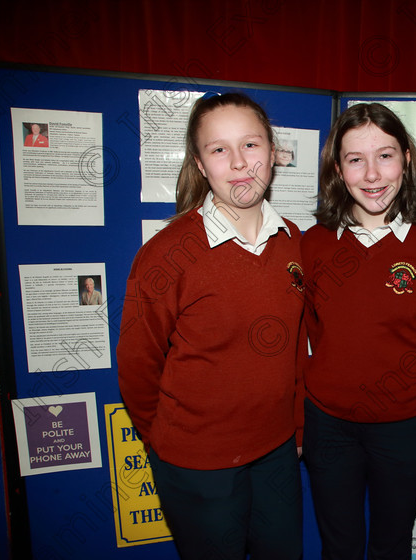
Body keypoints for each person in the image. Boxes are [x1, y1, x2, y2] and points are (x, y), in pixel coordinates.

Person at [116, 92, 305, 560]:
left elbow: (298, 348)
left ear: (272, 153)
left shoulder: (294, 242)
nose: (240, 163)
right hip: (198, 464)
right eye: (219, 149)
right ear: (200, 164)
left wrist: (297, 430)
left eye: (251, 144)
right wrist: (165, 441)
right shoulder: (165, 254)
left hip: (278, 452)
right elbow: (137, 365)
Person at [301, 102, 416, 560]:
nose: (372, 175)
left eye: (385, 155)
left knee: (392, 544)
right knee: (340, 546)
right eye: (356, 159)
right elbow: (312, 331)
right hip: (328, 425)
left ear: (407, 159)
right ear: (338, 169)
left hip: (404, 426)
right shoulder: (312, 245)